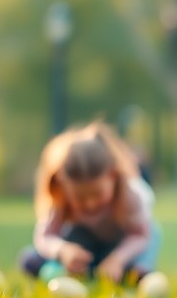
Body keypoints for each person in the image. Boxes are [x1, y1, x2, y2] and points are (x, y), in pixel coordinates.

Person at [19, 122, 159, 284]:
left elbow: (140, 235)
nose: (90, 204)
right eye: (79, 197)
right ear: (62, 182)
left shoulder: (129, 195)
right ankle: (79, 270)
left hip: (118, 247)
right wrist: (63, 250)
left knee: (153, 233)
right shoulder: (61, 197)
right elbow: (45, 236)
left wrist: (118, 259)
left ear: (113, 176)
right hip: (83, 250)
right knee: (30, 260)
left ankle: (133, 273)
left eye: (97, 194)